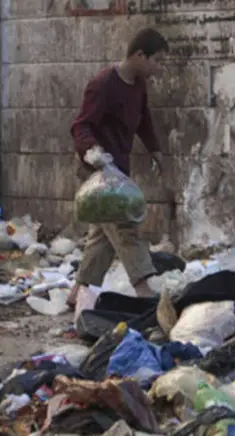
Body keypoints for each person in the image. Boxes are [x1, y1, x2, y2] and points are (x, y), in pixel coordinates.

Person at [67, 27, 169, 306]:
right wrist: (94, 152)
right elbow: (80, 125)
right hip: (99, 172)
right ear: (139, 55)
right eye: (156, 61)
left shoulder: (137, 85)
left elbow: (143, 119)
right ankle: (144, 289)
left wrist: (156, 151)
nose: (158, 68)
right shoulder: (102, 85)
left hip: (118, 171)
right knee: (126, 227)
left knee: (101, 238)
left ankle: (76, 294)